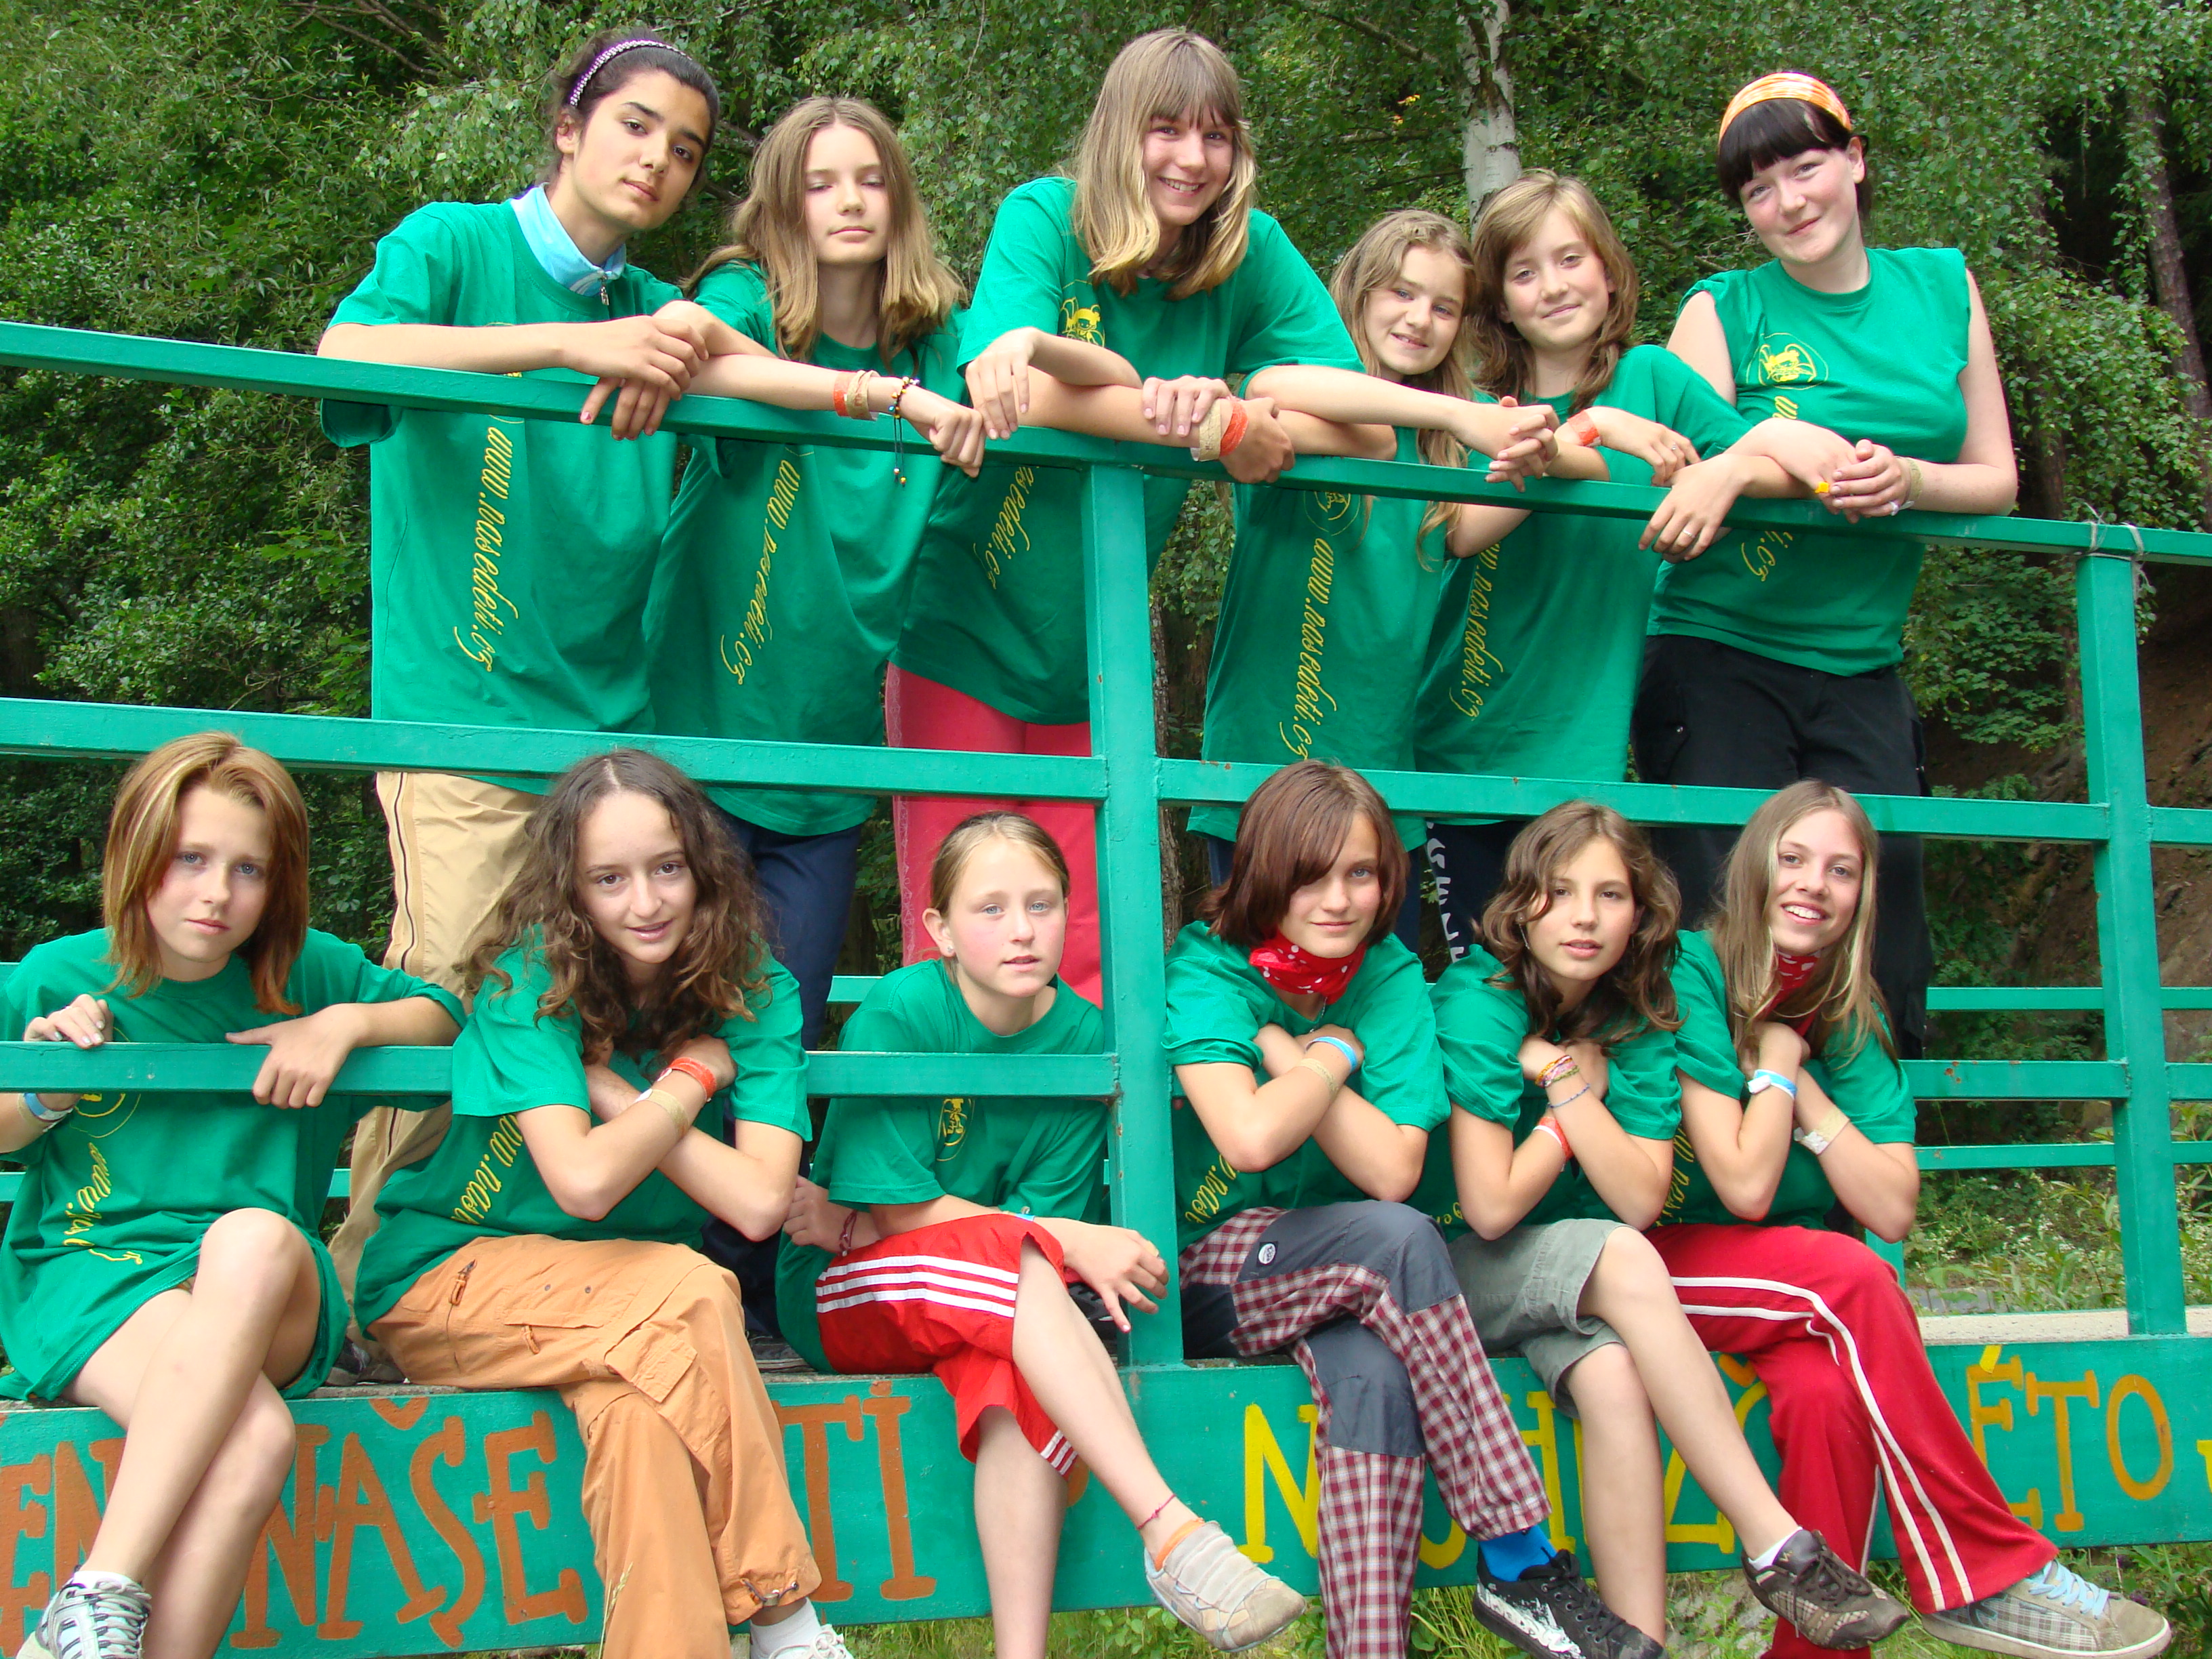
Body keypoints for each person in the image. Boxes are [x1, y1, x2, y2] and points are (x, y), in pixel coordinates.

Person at [887, 27, 1563, 1002]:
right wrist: (1199, 427)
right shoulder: (1046, 216)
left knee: (1079, 935)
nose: (1192, 158)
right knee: (965, 921)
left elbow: (1364, 430)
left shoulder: (1248, 251)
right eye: (1166, 129)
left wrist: (1237, 413)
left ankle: (1089, 1116)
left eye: (1215, 135)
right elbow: (1017, 391)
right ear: (1121, 130)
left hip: (1092, 651)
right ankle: (944, 1107)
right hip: (964, 619)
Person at [350, 750, 851, 1659]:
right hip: (449, 1278)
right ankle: (786, 1621)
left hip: (629, 1309)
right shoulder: (529, 982)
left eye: (668, 869)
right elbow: (583, 1184)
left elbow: (757, 1202)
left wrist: (622, 1097)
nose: (646, 901)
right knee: (696, 1288)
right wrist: (688, 1083)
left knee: (644, 1425)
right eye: (609, 879)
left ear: (704, 868)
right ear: (572, 891)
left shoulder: (752, 985)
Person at [1652, 781, 2170, 1659]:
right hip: (1653, 1258)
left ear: (1863, 893)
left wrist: (1801, 1083)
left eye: (1841, 869)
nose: (1814, 884)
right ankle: (1982, 1570)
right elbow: (1743, 1188)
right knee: (1851, 1276)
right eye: (1793, 859)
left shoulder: (1848, 1016)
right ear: (1752, 868)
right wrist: (1775, 1058)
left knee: (1828, 1398)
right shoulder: (1691, 971)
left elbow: (1890, 1205)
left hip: (1786, 1286)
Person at [777, 811, 1305, 1656]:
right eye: (990, 909)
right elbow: (904, 1219)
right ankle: (1171, 1532)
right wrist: (1068, 1237)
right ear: (940, 929)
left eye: (1042, 904)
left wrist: (1025, 1234)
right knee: (1022, 1257)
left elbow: (982, 1225)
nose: (1022, 930)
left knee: (1013, 1376)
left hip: (991, 1290)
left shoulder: (1085, 1036)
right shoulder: (902, 1012)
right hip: (845, 1286)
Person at [1412, 801, 1907, 1654]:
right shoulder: (1481, 1001)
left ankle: (1636, 1643)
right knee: (1621, 1252)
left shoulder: (1635, 1014)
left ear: (1639, 914)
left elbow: (1641, 1194)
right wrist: (1567, 1095)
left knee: (1613, 1375)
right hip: (1453, 1266)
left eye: (1610, 896)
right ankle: (1774, 1544)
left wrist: (1566, 1084)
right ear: (1520, 905)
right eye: (1560, 892)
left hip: (1566, 1276)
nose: (1584, 917)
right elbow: (1491, 1205)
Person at [3, 733, 460, 1659]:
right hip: (97, 1276)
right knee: (251, 1444)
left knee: (252, 1235)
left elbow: (447, 1022)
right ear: (137, 855)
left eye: (248, 869)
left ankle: (97, 1587)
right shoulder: (61, 975)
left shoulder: (308, 974)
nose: (217, 893)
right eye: (190, 859)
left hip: (264, 1291)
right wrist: (50, 1087)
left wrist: (347, 1024)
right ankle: (103, 1623)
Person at [1166, 758, 1631, 1659]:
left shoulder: (1386, 974)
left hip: (1346, 1275)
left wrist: (1296, 1057)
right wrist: (1336, 1057)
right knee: (1399, 1238)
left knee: (1375, 1379)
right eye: (1312, 875)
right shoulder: (1208, 965)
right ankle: (1521, 1557)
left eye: (1362, 873)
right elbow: (1250, 1138)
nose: (1339, 900)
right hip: (1210, 1267)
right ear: (1265, 870)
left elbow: (1392, 1166)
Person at [1639, 73, 2021, 1057]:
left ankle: (1868, 1154)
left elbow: (1997, 477)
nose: (1789, 202)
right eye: (1758, 191)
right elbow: (1684, 466)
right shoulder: (1723, 309)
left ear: (1855, 161)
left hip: (1863, 660)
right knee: (1729, 916)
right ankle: (1715, 1139)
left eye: (1806, 169)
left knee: (1880, 932)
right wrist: (1756, 458)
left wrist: (1909, 480)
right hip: (1719, 649)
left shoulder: (1942, 287)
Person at [650, 95, 983, 1046]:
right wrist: (881, 397)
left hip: (825, 754)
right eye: (820, 183)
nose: (850, 201)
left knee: (777, 1032)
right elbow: (688, 344)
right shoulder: (747, 299)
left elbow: (1025, 375)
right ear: (780, 204)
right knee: (667, 1024)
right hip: (699, 735)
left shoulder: (940, 338)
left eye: (872, 180)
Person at [1416, 171, 1820, 951]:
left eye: (1571, 259)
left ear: (1609, 271)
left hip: (1582, 748)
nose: (1553, 286)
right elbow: (1457, 526)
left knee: (1571, 970)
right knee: (1479, 975)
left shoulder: (1653, 381)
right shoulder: (1470, 402)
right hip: (1458, 738)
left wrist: (1727, 472)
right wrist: (1597, 428)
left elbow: (1774, 464)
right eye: (1524, 272)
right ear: (1499, 301)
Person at [1191, 208, 1605, 945]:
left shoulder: (1444, 450)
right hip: (1263, 756)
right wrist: (1461, 415)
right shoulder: (1302, 387)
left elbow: (1575, 470)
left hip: (1380, 770)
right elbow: (1269, 384)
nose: (1420, 319)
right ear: (1358, 291)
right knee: (1257, 971)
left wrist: (1562, 438)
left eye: (1445, 307)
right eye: (1402, 293)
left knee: (1383, 980)